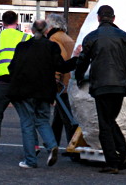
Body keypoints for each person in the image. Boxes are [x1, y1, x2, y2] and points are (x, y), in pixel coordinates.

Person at [75, 5, 126, 174]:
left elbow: (82, 61)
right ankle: (125, 152)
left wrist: (78, 76)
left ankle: (113, 162)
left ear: (98, 18)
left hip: (101, 85)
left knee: (105, 125)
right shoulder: (124, 37)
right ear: (113, 18)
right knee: (110, 120)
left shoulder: (91, 38)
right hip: (120, 85)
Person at [8, 20, 80, 169]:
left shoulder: (22, 46)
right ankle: (52, 145)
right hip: (44, 92)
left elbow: (11, 67)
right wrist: (77, 58)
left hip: (23, 91)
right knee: (42, 120)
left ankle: (30, 160)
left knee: (27, 124)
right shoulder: (51, 46)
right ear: (46, 30)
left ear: (32, 31)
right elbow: (62, 66)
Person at [0, 11, 31, 155]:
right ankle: (33, 146)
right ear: (17, 22)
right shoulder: (25, 37)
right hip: (20, 81)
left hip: (2, 81)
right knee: (26, 116)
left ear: (2, 23)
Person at [45, 14, 78, 150]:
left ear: (52, 26)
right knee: (59, 116)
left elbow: (58, 59)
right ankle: (52, 142)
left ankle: (72, 145)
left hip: (62, 85)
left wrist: (56, 79)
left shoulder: (54, 39)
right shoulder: (66, 37)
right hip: (69, 82)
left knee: (67, 117)